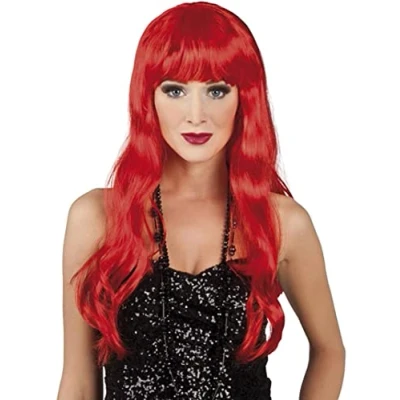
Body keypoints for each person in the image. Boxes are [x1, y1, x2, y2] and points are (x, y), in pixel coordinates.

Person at [57, 2, 345, 399]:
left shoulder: (282, 223)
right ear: (147, 97)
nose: (196, 115)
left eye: (216, 90)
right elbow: (78, 380)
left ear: (244, 97)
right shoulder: (97, 217)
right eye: (175, 90)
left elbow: (330, 351)